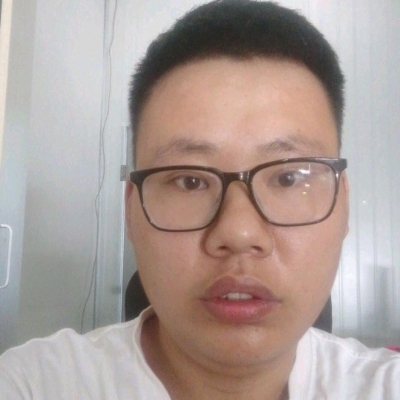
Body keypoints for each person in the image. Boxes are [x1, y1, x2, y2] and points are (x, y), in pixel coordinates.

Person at [0, 1, 399, 398]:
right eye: (190, 181)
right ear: (131, 211)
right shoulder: (33, 385)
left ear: (344, 204)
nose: (239, 233)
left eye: (288, 177)